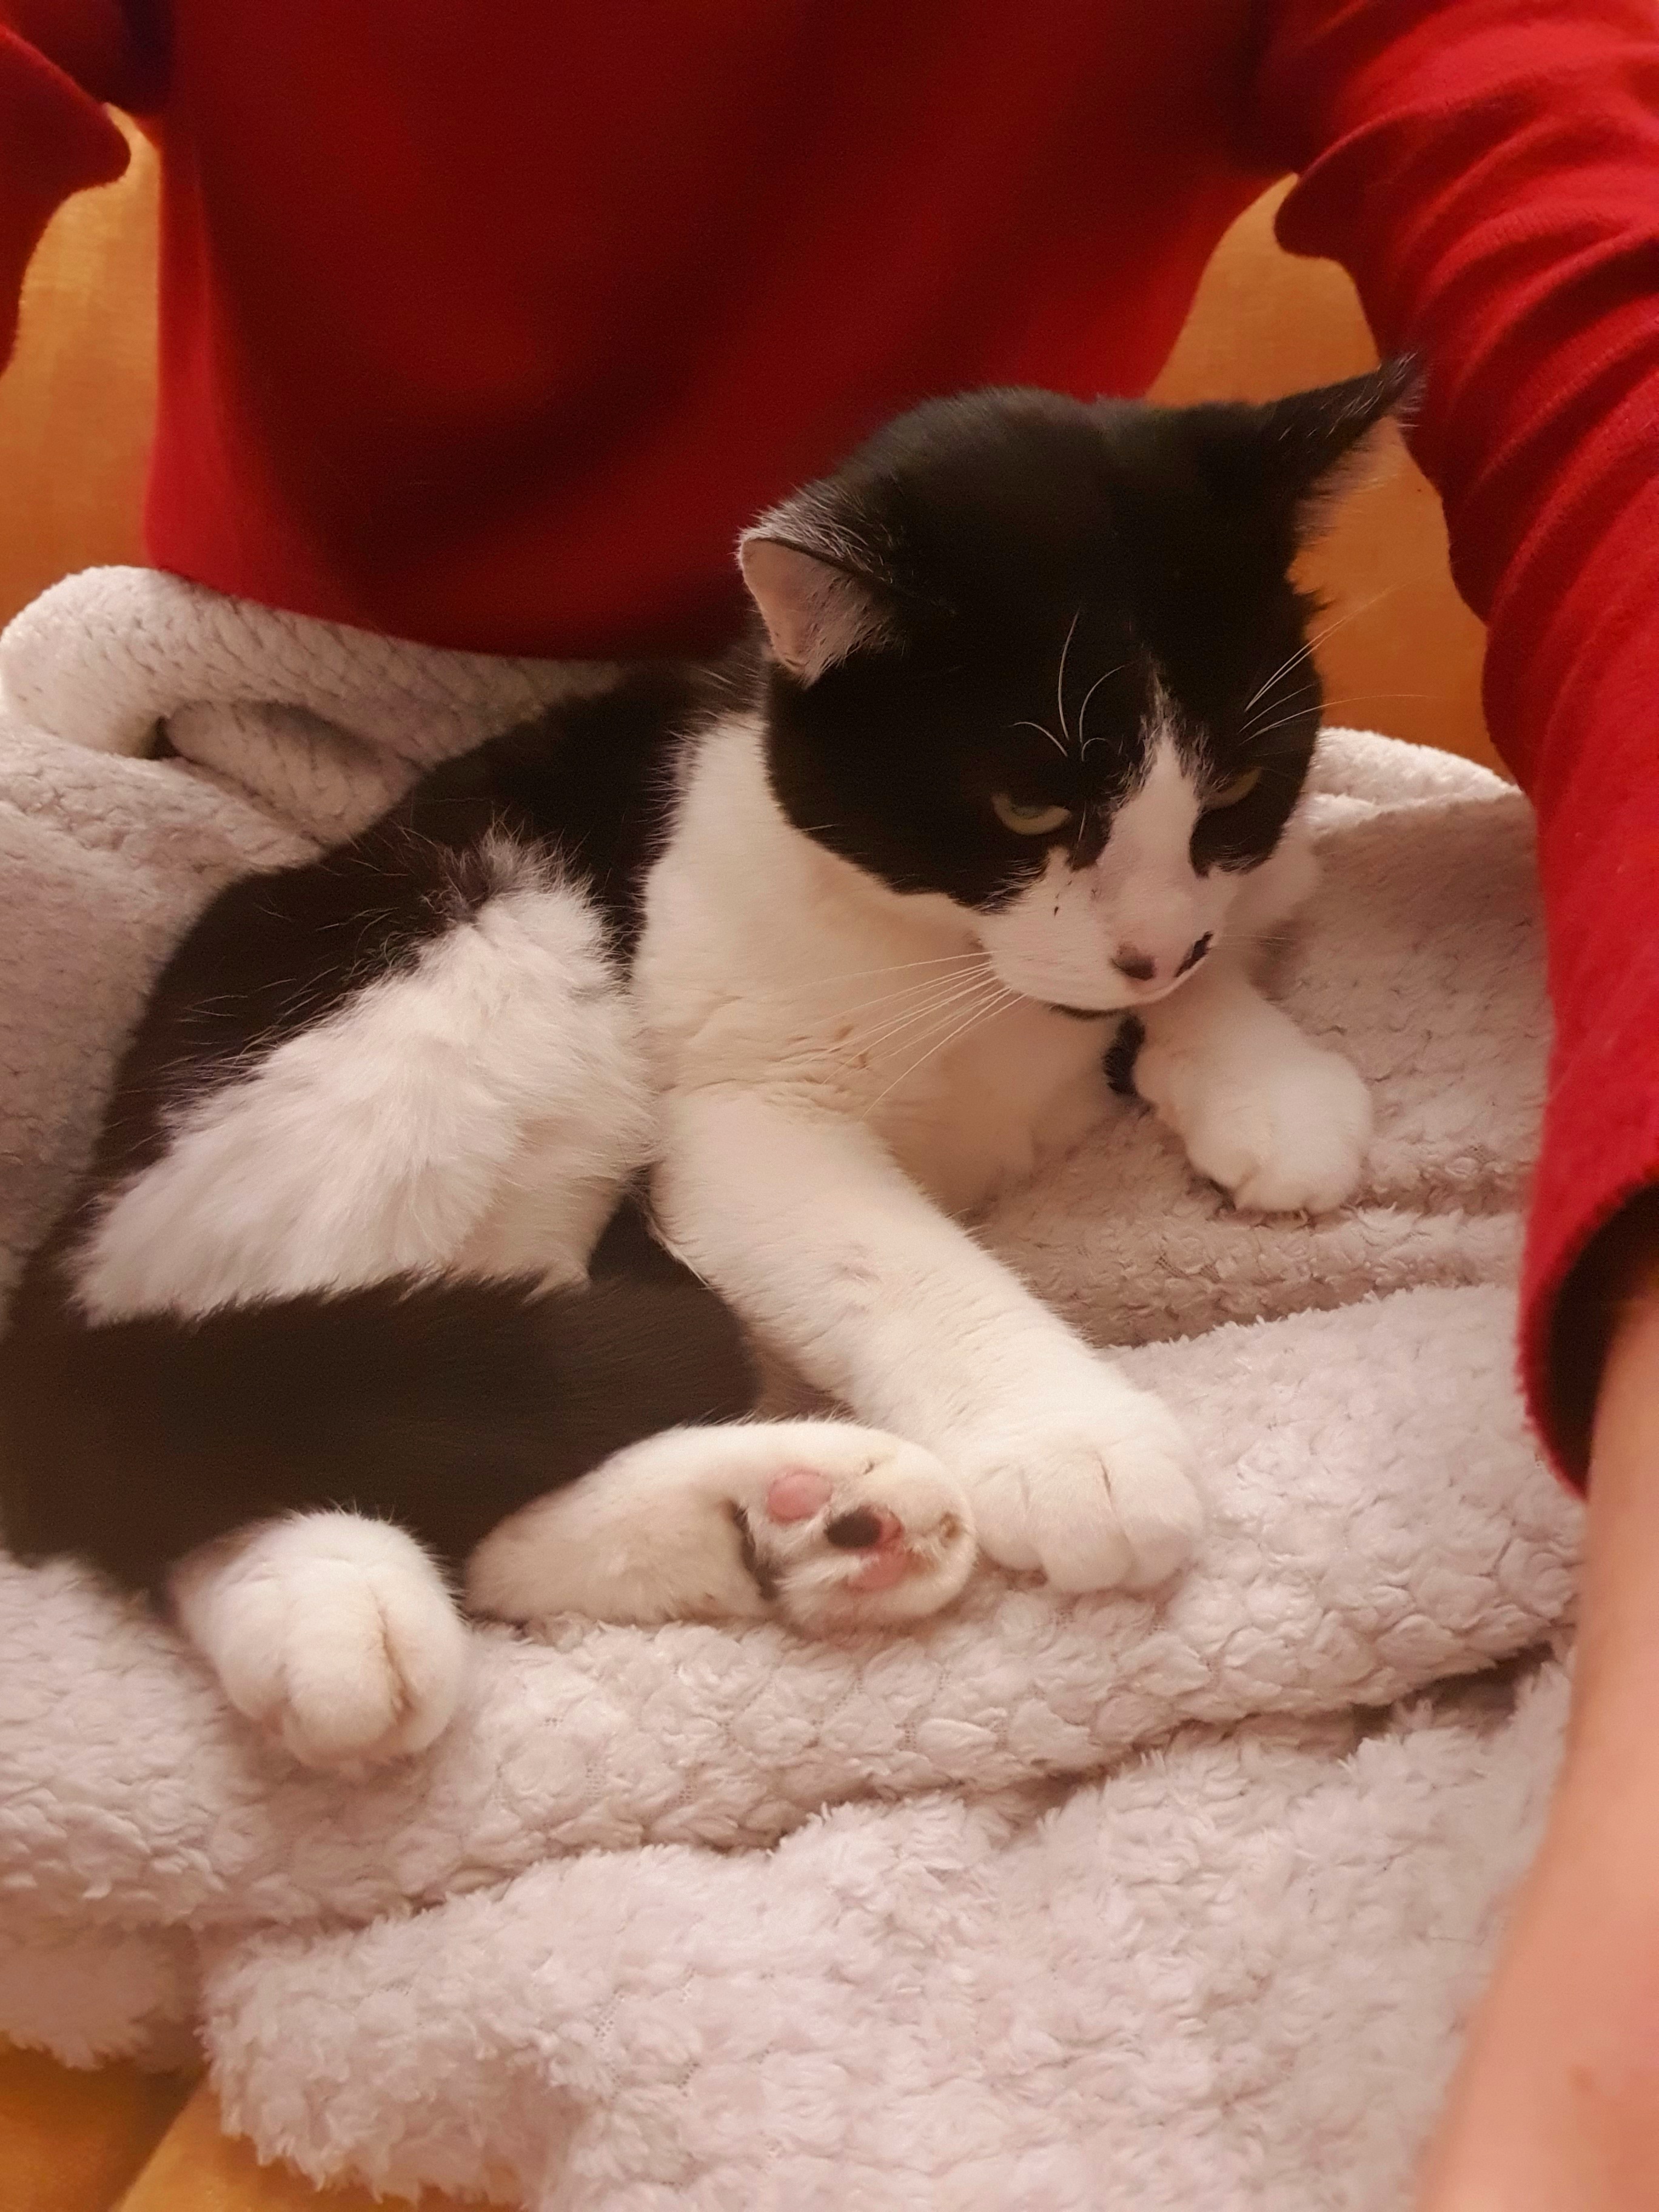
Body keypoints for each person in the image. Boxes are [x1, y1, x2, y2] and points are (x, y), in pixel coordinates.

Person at [2, 4, 1657, 2200]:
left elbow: (1581, 281)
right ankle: (238, 1511)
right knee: (513, 1073)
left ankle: (488, 1507)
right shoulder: (778, 818)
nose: (1159, 931)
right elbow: (746, 1142)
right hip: (405, 950)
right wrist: (1004, 1394)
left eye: (1226, 827)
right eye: (1074, 856)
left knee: (623, 1283)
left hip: (563, 1284)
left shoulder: (1153, 873)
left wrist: (1209, 1025)